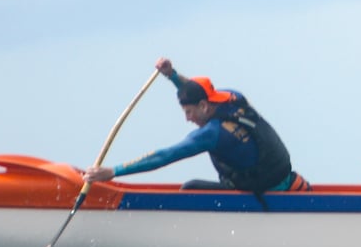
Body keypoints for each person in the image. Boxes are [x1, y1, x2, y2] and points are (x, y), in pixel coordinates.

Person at [82, 58, 310, 195]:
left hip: (267, 191)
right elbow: (194, 92)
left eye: (188, 112)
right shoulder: (233, 98)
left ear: (203, 106)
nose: (187, 119)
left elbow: (165, 156)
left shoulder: (211, 134)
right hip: (285, 179)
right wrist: (172, 76)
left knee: (191, 190)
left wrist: (113, 172)